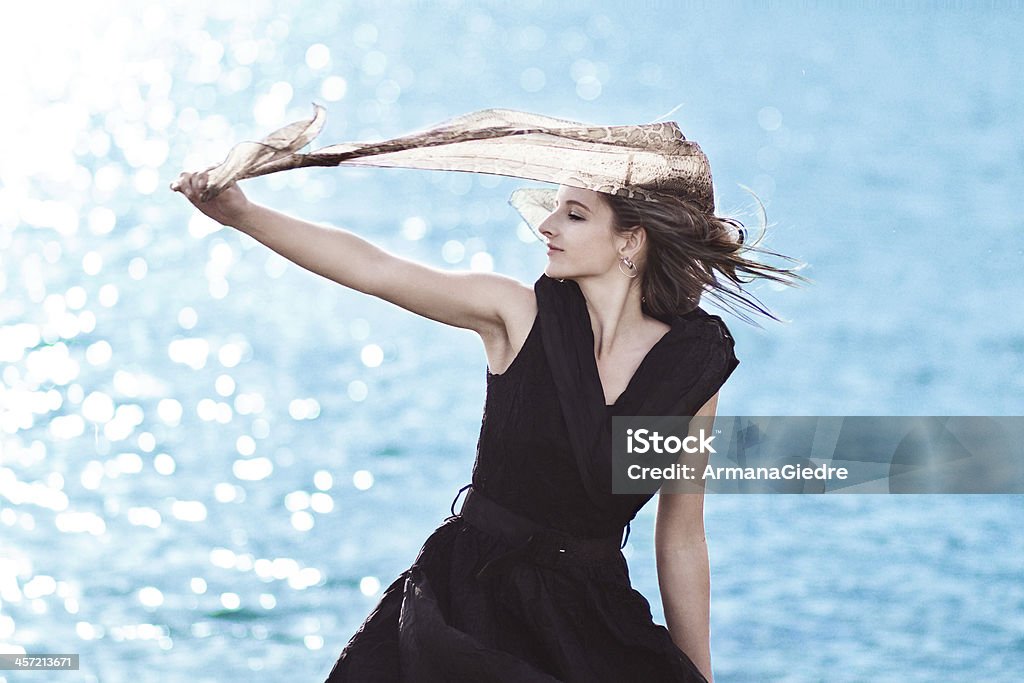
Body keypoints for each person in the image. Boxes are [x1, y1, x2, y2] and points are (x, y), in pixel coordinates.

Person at [172, 114, 805, 682]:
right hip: (467, 602)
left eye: (575, 215)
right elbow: (376, 269)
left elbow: (682, 537)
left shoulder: (691, 368)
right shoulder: (517, 313)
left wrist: (698, 677)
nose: (547, 226)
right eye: (554, 209)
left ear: (630, 241)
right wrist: (243, 215)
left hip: (590, 621)